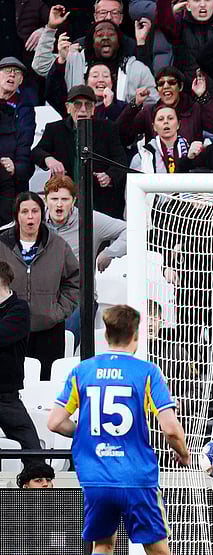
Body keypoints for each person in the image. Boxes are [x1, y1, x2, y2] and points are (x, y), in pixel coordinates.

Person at [45, 304, 197, 555]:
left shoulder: (82, 371)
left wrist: (86, 436)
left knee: (102, 547)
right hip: (137, 479)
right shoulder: (146, 373)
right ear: (136, 334)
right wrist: (184, 454)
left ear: (106, 332)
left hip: (97, 479)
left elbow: (54, 422)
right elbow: (171, 429)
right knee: (159, 553)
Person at [0, 192, 79, 381]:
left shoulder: (58, 245)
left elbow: (75, 281)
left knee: (46, 383)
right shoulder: (2, 244)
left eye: (35, 211)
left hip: (49, 329)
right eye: (24, 211)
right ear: (16, 215)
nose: (30, 217)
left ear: (42, 214)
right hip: (9, 328)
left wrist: (57, 311)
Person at [32, 85, 128, 218]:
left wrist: (109, 175)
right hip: (66, 197)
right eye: (77, 104)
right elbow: (36, 152)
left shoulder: (107, 129)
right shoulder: (55, 129)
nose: (83, 109)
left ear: (94, 108)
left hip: (100, 200)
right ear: (67, 107)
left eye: (88, 105)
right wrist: (49, 159)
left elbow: (121, 160)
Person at [117, 65, 213, 147]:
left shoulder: (194, 108)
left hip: (189, 170)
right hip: (157, 171)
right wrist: (134, 104)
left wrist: (203, 95)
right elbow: (120, 133)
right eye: (161, 84)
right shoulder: (149, 112)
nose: (166, 86)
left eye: (171, 82)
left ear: (180, 86)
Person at [0, 259, 42, 458]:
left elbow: (3, 336)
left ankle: (38, 483)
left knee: (31, 449)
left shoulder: (19, 309)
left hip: (6, 395)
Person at [0, 57, 36, 192]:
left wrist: (16, 167)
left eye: (17, 73)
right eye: (7, 70)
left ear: (20, 81)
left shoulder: (25, 109)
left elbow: (24, 143)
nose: (12, 74)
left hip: (11, 176)